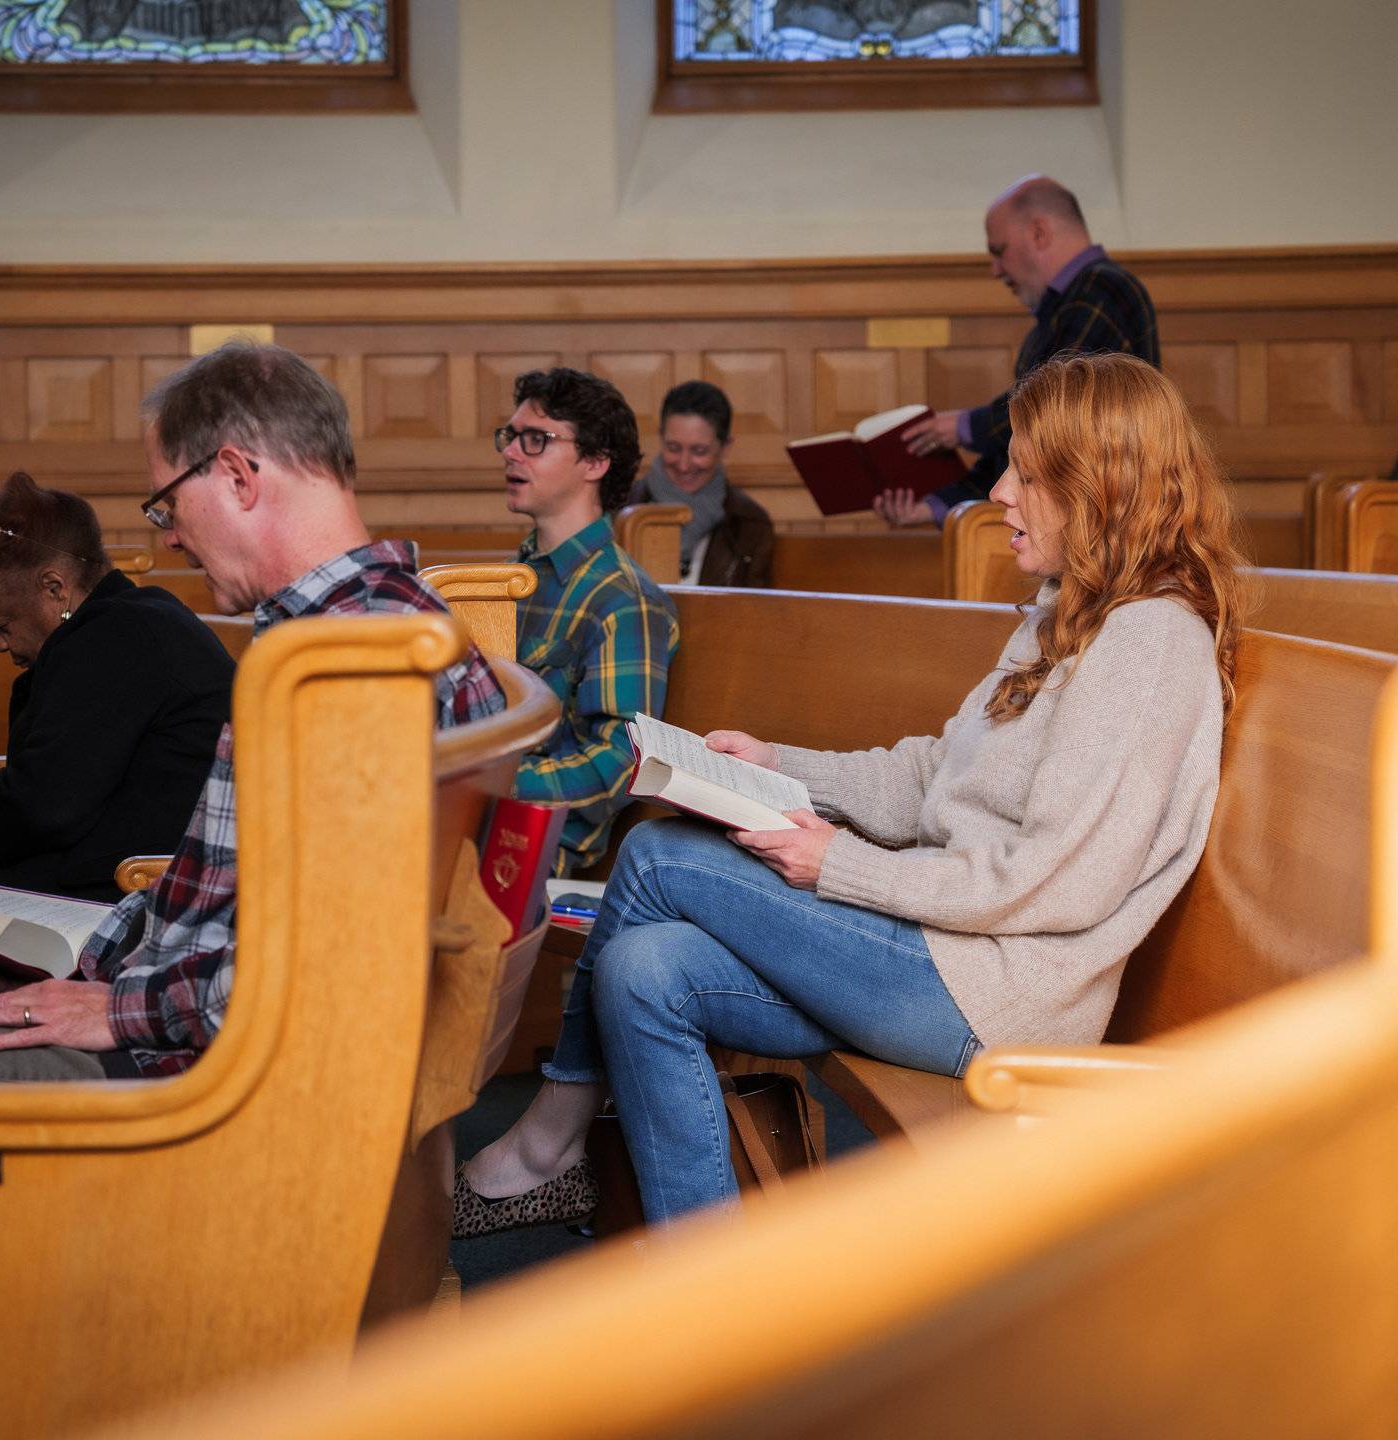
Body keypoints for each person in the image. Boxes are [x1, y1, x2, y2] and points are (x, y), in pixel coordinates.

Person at [456, 352, 1244, 1232]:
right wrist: (776, 766)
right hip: (934, 948)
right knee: (644, 971)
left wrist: (841, 868)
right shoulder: (1071, 611)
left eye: (1024, 472)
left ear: (1095, 485)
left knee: (656, 854)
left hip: (995, 994)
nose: (1000, 494)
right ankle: (711, 1295)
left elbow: (1060, 880)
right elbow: (928, 777)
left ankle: (546, 1146)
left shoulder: (1148, 644)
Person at [0, 340, 506, 1082]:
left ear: (238, 477)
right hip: (181, 1019)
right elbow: (218, 880)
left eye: (169, 506)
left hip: (210, 1081)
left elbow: (331, 957)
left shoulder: (353, 661)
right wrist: (87, 971)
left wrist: (113, 1008)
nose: (173, 536)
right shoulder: (375, 626)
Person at [0, 473, 232, 902]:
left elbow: (42, 806)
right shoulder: (128, 621)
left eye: (2, 624)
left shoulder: (118, 636)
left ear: (54, 587)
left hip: (129, 905)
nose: (1, 644)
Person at [876, 175, 1160, 530]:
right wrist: (933, 507)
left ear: (1039, 233)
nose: (995, 270)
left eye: (999, 251)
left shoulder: (1103, 290)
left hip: (1104, 528)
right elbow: (1023, 447)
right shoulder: (1066, 306)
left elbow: (1053, 411)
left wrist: (965, 427)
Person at [501, 367, 680, 877]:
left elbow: (618, 765)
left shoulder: (623, 600)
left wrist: (481, 781)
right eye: (510, 437)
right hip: (477, 815)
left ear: (596, 462)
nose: (512, 452)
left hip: (532, 847)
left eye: (536, 440)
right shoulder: (513, 581)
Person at [628, 381, 774, 587]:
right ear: (661, 439)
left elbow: (753, 614)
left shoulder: (750, 524)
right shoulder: (622, 508)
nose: (684, 465)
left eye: (699, 451)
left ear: (725, 448)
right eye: (673, 448)